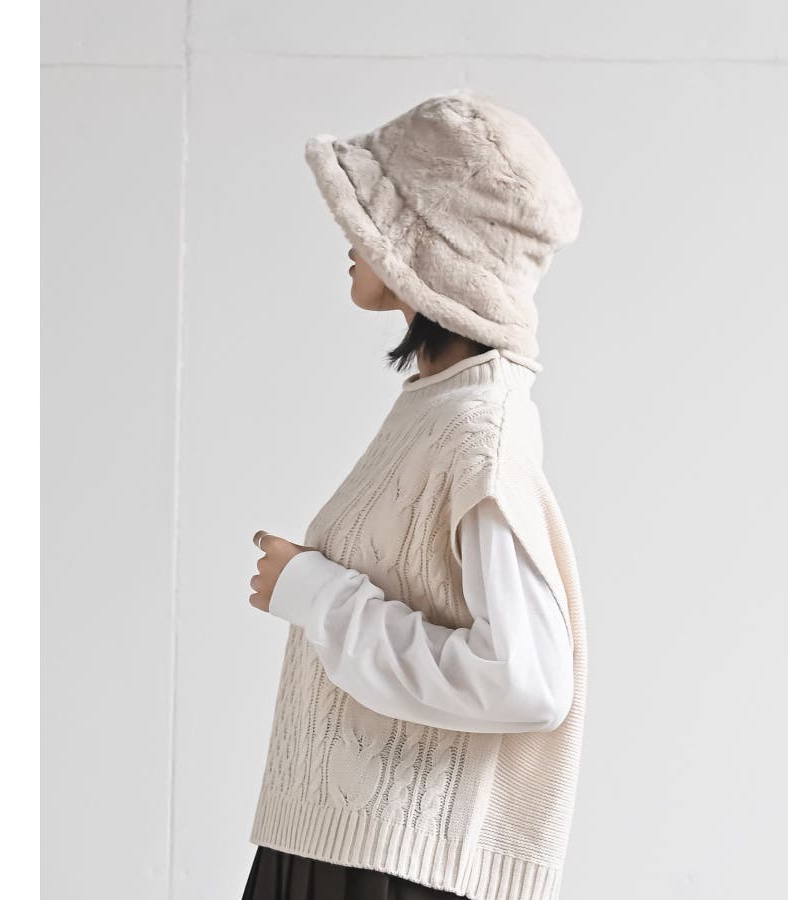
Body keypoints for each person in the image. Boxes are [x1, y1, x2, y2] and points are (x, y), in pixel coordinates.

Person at [243, 88, 587, 900]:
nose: (350, 232)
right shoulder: (440, 406)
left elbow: (527, 681)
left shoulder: (479, 430)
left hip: (385, 869)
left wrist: (316, 594)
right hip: (341, 846)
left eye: (374, 213)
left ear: (431, 246)